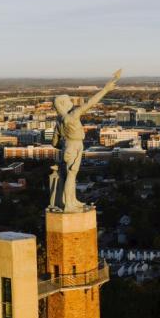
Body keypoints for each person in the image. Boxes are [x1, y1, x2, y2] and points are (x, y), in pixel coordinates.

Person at [51, 69, 122, 212]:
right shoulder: (71, 116)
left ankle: (72, 200)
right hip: (74, 146)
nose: (72, 103)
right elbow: (90, 102)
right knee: (71, 175)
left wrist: (64, 146)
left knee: (71, 175)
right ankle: (69, 204)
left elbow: (54, 143)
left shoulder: (59, 121)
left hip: (68, 146)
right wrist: (106, 89)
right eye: (69, 101)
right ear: (64, 104)